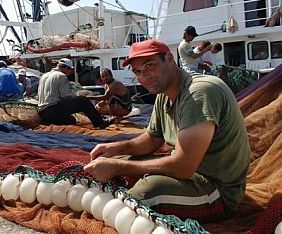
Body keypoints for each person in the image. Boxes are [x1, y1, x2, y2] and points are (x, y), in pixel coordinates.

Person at [84, 39, 250, 222]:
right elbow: (151, 139)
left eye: (150, 65)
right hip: (190, 175)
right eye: (138, 71)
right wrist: (116, 149)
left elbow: (183, 167)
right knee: (121, 161)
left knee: (147, 190)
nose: (144, 75)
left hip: (217, 190)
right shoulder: (164, 96)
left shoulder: (200, 92)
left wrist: (118, 167)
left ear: (169, 58)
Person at [37, 58, 112, 129]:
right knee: (83, 101)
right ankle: (100, 123)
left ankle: (47, 121)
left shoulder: (44, 75)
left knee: (71, 120)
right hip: (52, 109)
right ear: (67, 68)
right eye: (70, 70)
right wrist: (79, 99)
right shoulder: (61, 76)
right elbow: (66, 96)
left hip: (42, 112)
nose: (69, 72)